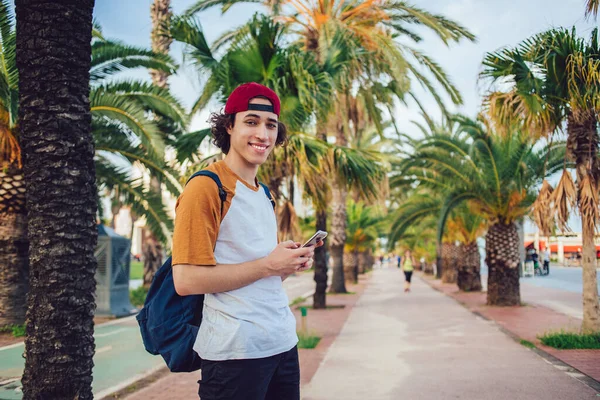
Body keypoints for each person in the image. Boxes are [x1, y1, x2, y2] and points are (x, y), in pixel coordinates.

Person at [171, 82, 323, 400]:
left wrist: (285, 264)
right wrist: (268, 264)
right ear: (229, 126)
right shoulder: (206, 187)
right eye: (251, 122)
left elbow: (260, 275)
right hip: (235, 354)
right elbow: (185, 280)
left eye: (270, 125)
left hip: (282, 343)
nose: (263, 135)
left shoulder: (263, 193)